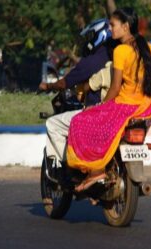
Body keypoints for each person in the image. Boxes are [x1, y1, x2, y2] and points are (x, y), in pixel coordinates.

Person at [66, 8, 151, 192]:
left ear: (126, 27)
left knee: (80, 120)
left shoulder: (121, 50)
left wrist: (101, 107)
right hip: (145, 108)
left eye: (113, 25)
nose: (110, 29)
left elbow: (115, 87)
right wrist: (145, 90)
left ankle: (96, 170)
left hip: (125, 107)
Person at [39, 18, 118, 167]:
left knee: (52, 123)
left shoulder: (94, 60)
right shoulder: (120, 55)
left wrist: (47, 86)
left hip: (98, 111)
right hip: (121, 112)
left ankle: (67, 167)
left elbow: (65, 83)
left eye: (90, 37)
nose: (88, 42)